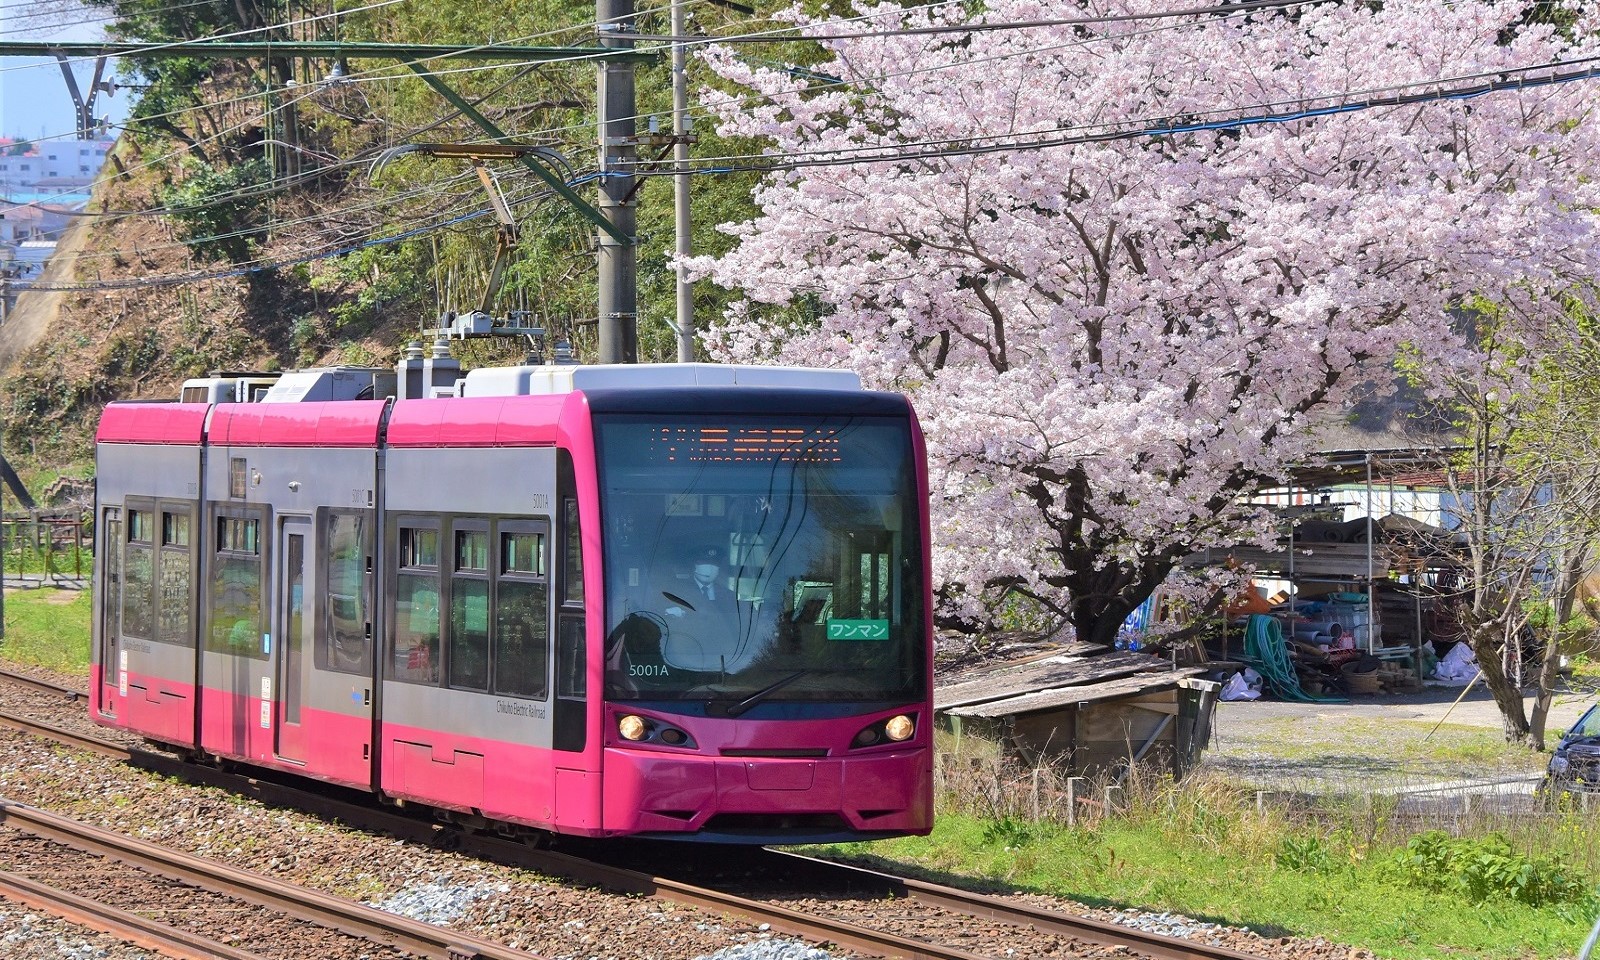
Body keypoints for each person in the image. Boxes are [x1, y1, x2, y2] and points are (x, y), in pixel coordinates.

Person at [659, 546, 757, 673]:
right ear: (695, 565)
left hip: (726, 660)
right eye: (703, 563)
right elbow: (659, 619)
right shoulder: (676, 592)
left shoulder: (730, 597)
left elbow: (744, 624)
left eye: (714, 565)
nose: (710, 569)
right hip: (682, 659)